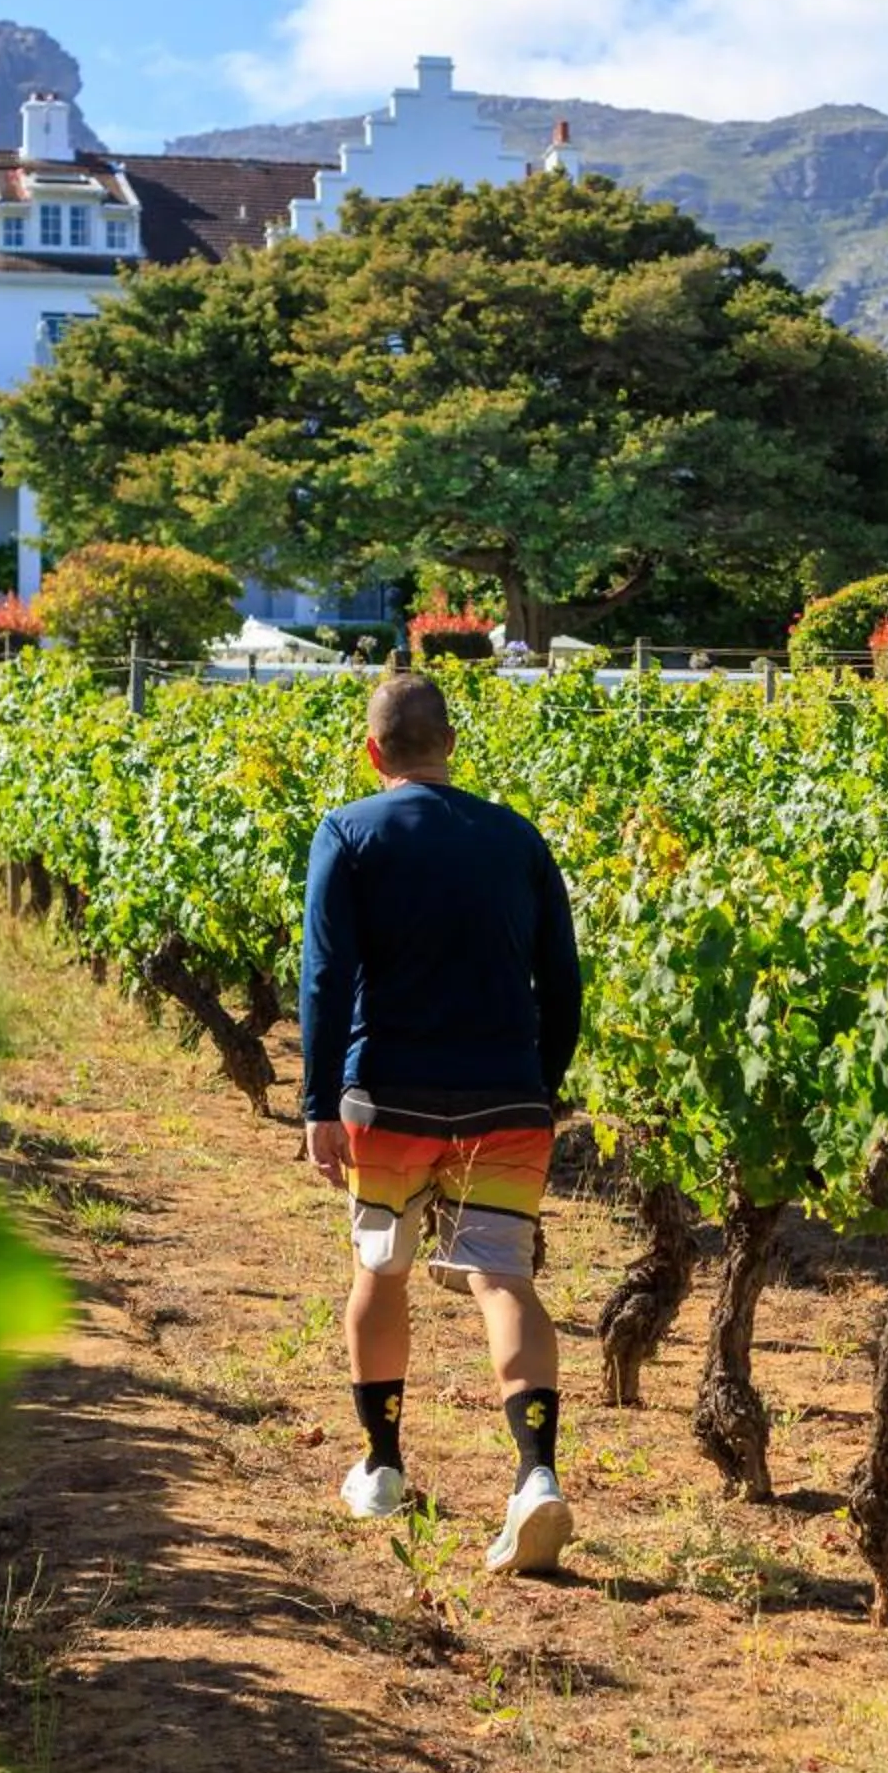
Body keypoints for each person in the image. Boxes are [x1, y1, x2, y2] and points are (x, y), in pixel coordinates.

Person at [300, 672, 583, 1574]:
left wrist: (316, 1102)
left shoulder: (349, 832)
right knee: (501, 1279)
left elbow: (326, 980)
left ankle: (382, 1467)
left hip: (389, 1098)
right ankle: (535, 1477)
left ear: (374, 750)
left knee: (380, 1269)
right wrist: (538, 1083)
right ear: (450, 744)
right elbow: (563, 983)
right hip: (505, 1096)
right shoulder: (517, 837)